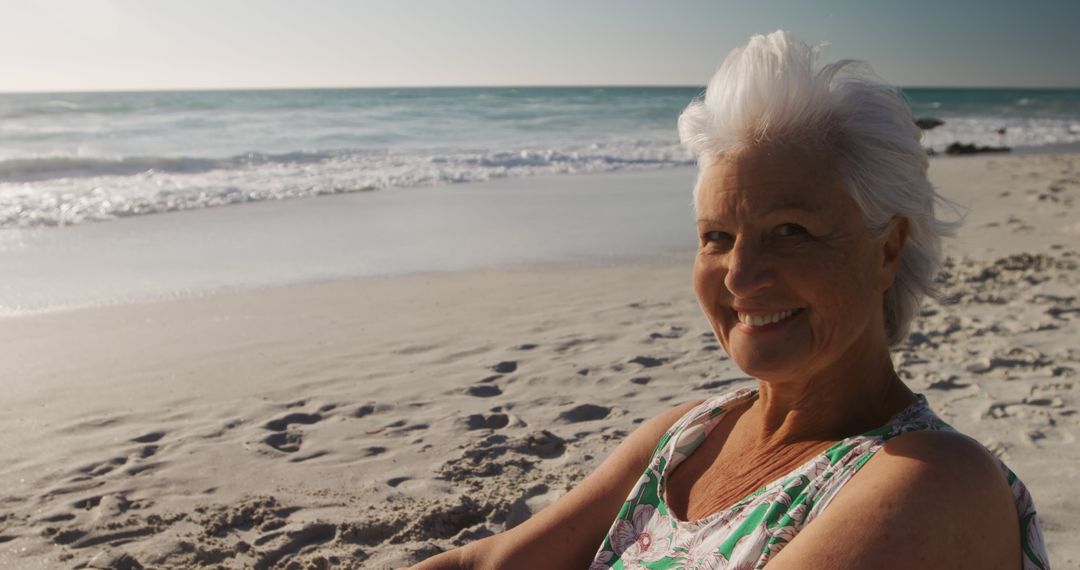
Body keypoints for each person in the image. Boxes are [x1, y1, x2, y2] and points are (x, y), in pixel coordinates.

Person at [413, 30, 1048, 569]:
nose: (740, 277)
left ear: (887, 250)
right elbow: (487, 562)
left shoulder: (929, 480)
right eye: (717, 237)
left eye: (791, 231)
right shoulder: (690, 433)